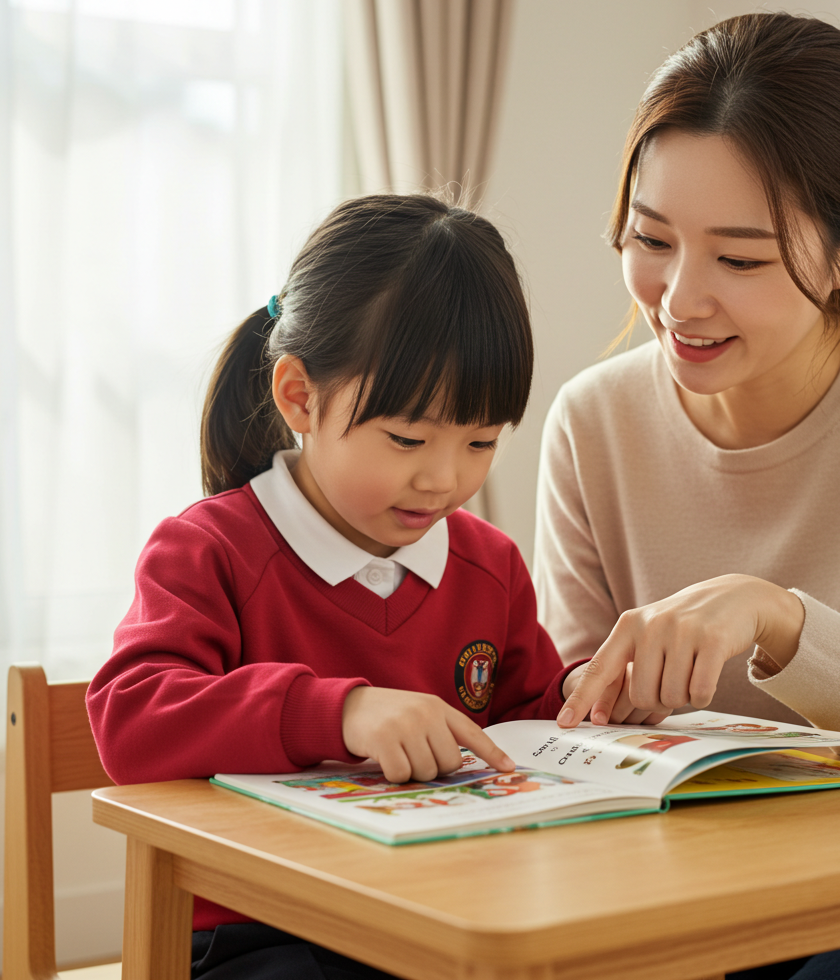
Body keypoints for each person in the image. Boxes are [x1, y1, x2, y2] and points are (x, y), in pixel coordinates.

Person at [535, 13, 840, 980]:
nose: (679, 298)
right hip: (684, 888)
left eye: (739, 259)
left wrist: (780, 620)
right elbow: (567, 718)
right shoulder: (592, 421)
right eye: (651, 239)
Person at [86, 193, 600, 980]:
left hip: (440, 913)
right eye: (406, 438)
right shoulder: (211, 549)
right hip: (258, 934)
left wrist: (593, 700)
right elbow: (129, 715)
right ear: (300, 397)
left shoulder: (488, 565)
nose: (444, 478)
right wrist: (341, 710)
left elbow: (526, 725)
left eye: (481, 442)